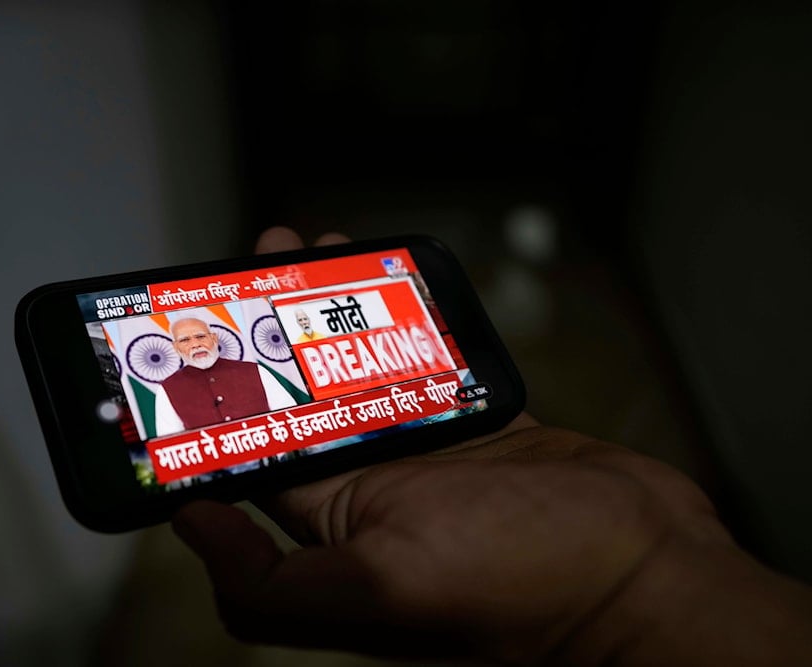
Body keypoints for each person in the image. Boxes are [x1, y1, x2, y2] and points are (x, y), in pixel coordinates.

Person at [172, 226, 812, 666]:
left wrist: (628, 592)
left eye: (205, 336)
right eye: (185, 340)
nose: (198, 347)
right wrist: (635, 588)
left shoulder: (252, 368)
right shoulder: (176, 388)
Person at [152, 316, 297, 436]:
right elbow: (171, 442)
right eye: (185, 340)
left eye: (200, 337)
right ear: (176, 347)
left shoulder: (254, 370)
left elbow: (291, 417)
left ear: (214, 339)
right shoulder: (167, 389)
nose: (195, 344)